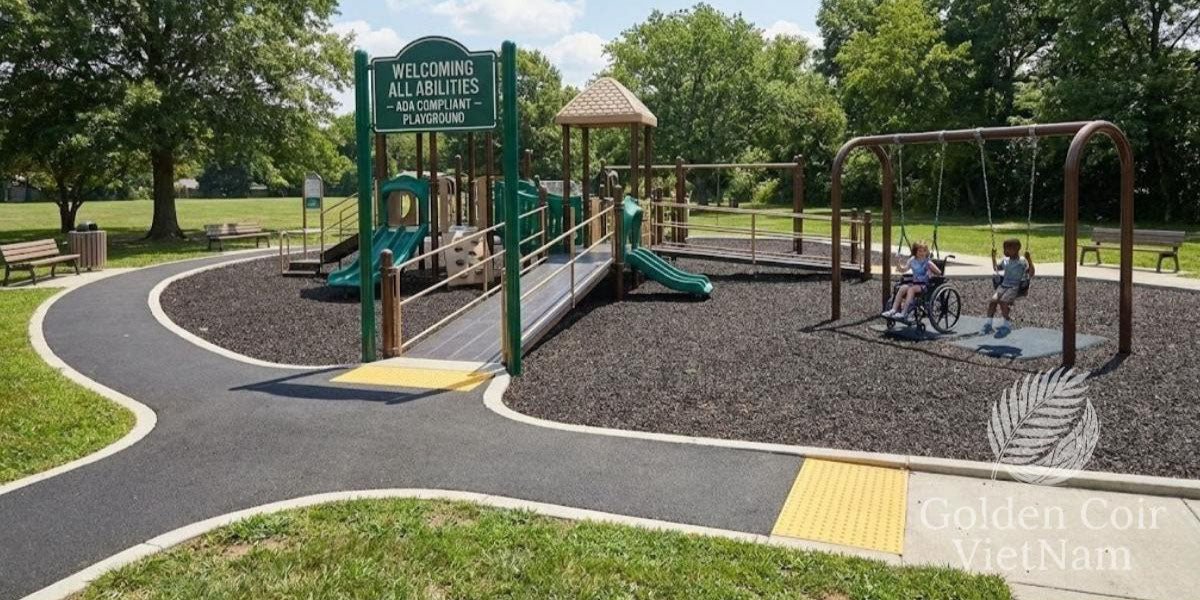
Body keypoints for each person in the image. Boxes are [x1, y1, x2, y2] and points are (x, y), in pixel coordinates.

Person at [982, 238, 1035, 337]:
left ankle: (1007, 325)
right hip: (1003, 285)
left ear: (1017, 249)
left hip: (1015, 287)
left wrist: (1029, 259)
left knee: (1003, 301)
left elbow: (1031, 273)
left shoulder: (1022, 261)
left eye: (1008, 249)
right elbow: (996, 268)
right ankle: (988, 324)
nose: (1005, 251)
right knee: (993, 301)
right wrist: (993, 257)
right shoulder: (1005, 260)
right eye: (1004, 249)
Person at [882, 241, 941, 320]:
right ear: (915, 251)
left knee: (911, 289)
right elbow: (903, 269)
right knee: (902, 288)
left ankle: (904, 312)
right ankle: (893, 310)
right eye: (920, 251)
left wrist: (931, 271)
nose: (922, 253)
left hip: (923, 285)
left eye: (924, 251)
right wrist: (897, 263)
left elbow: (939, 272)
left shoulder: (928, 262)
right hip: (914, 283)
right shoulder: (912, 260)